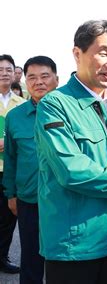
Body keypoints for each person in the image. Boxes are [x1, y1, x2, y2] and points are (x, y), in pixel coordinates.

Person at [35, 20, 107, 284]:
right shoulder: (56, 105)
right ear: (77, 54)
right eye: (103, 53)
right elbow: (72, 170)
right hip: (74, 246)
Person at [3, 55, 59, 283]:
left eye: (45, 76)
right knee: (31, 260)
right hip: (29, 199)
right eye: (32, 77)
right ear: (25, 81)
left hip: (64, 201)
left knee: (63, 262)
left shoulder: (73, 113)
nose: (39, 82)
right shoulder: (15, 116)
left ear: (57, 78)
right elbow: (11, 158)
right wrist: (11, 194)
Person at [0, 54, 25, 274]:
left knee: (8, 218)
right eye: (0, 69)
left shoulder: (22, 103)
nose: (4, 73)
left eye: (8, 69)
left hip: (10, 170)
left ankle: (2, 257)